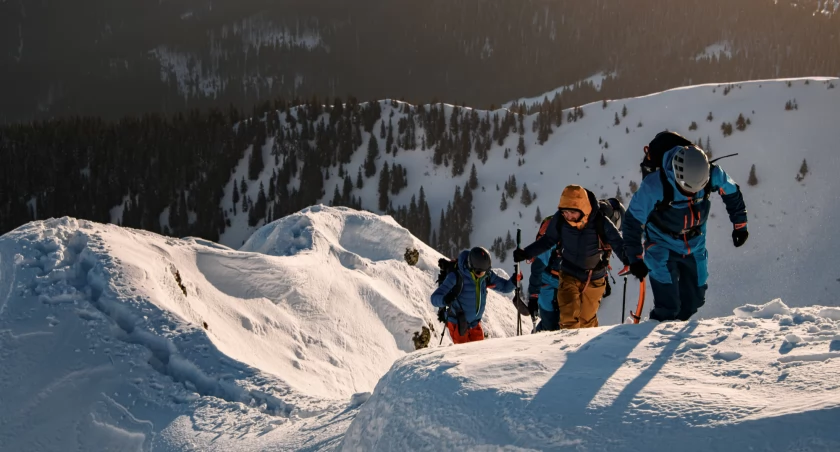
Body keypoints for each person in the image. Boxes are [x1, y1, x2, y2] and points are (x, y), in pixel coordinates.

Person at [622, 143, 748, 321]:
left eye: (696, 190)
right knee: (668, 307)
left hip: (695, 243)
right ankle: (654, 334)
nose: (692, 194)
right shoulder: (655, 186)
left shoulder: (712, 174)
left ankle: (675, 331)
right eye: (688, 189)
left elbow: (732, 192)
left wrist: (740, 225)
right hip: (661, 244)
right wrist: (635, 258)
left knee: (694, 300)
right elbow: (632, 222)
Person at [514, 185, 629, 329]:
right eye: (565, 212)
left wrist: (631, 261)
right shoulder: (560, 220)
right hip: (568, 275)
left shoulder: (600, 222)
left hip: (593, 278)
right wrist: (527, 252)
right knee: (568, 320)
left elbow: (617, 244)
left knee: (587, 321)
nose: (568, 216)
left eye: (572, 213)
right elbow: (548, 240)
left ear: (584, 209)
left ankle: (589, 349)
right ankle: (565, 349)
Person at [431, 246, 521, 344]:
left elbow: (505, 287)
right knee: (464, 356)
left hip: (475, 324)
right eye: (480, 272)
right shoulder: (456, 277)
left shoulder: (486, 275)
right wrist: (444, 300)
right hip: (458, 324)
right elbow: (434, 298)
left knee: (479, 354)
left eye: (485, 271)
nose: (482, 274)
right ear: (470, 266)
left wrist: (514, 280)